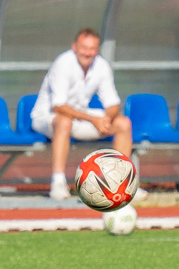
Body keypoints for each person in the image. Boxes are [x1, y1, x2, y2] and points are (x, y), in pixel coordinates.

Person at [31, 28, 143, 201]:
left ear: (97, 50)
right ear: (74, 47)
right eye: (84, 47)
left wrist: (107, 119)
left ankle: (122, 184)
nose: (87, 52)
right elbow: (59, 106)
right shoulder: (62, 63)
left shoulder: (102, 66)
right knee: (64, 122)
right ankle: (58, 182)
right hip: (46, 118)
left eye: (92, 49)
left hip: (79, 117)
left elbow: (113, 103)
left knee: (123, 123)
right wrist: (93, 119)